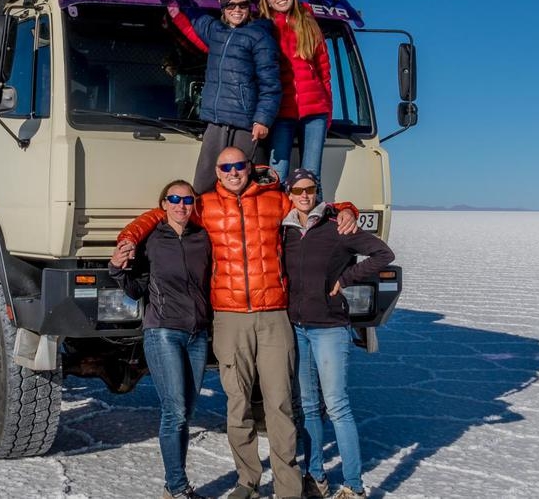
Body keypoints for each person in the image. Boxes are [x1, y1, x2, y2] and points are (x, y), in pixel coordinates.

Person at [117, 148, 358, 499]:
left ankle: (289, 486)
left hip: (274, 312)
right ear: (217, 171)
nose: (233, 171)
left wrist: (348, 210)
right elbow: (161, 213)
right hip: (229, 317)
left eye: (239, 165)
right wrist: (129, 236)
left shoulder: (276, 200)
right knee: (238, 404)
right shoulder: (205, 205)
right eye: (226, 166)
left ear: (249, 168)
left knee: (279, 404)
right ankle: (248, 482)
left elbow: (313, 207)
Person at [280, 169, 395, 499]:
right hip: (298, 327)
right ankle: (315, 476)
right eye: (298, 190)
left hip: (329, 328)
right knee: (308, 406)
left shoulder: (337, 227)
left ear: (318, 191)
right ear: (289, 195)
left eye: (311, 189)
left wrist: (346, 279)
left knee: (338, 405)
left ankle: (354, 486)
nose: (305, 195)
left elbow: (383, 254)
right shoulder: (285, 230)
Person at [109, 180, 212, 499]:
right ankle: (177, 487)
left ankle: (176, 486)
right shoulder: (152, 239)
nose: (182, 205)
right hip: (163, 330)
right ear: (163, 204)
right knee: (175, 409)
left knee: (187, 411)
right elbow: (137, 287)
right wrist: (117, 269)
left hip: (197, 334)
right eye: (175, 199)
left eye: (187, 199)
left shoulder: (202, 238)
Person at [166, 0, 281, 193]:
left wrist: (263, 119)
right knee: (204, 183)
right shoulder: (215, 32)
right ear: (223, 9)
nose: (237, 10)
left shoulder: (260, 37)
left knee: (244, 186)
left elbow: (270, 84)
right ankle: (205, 225)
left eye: (243, 5)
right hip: (216, 122)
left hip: (246, 125)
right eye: (231, 5)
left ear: (249, 8)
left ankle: (244, 225)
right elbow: (196, 17)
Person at [258, 0, 333, 200]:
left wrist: (327, 113)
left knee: (312, 174)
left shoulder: (309, 24)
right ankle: (278, 224)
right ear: (267, 1)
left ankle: (314, 228)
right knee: (277, 173)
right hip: (282, 111)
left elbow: (324, 72)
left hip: (315, 111)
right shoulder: (265, 28)